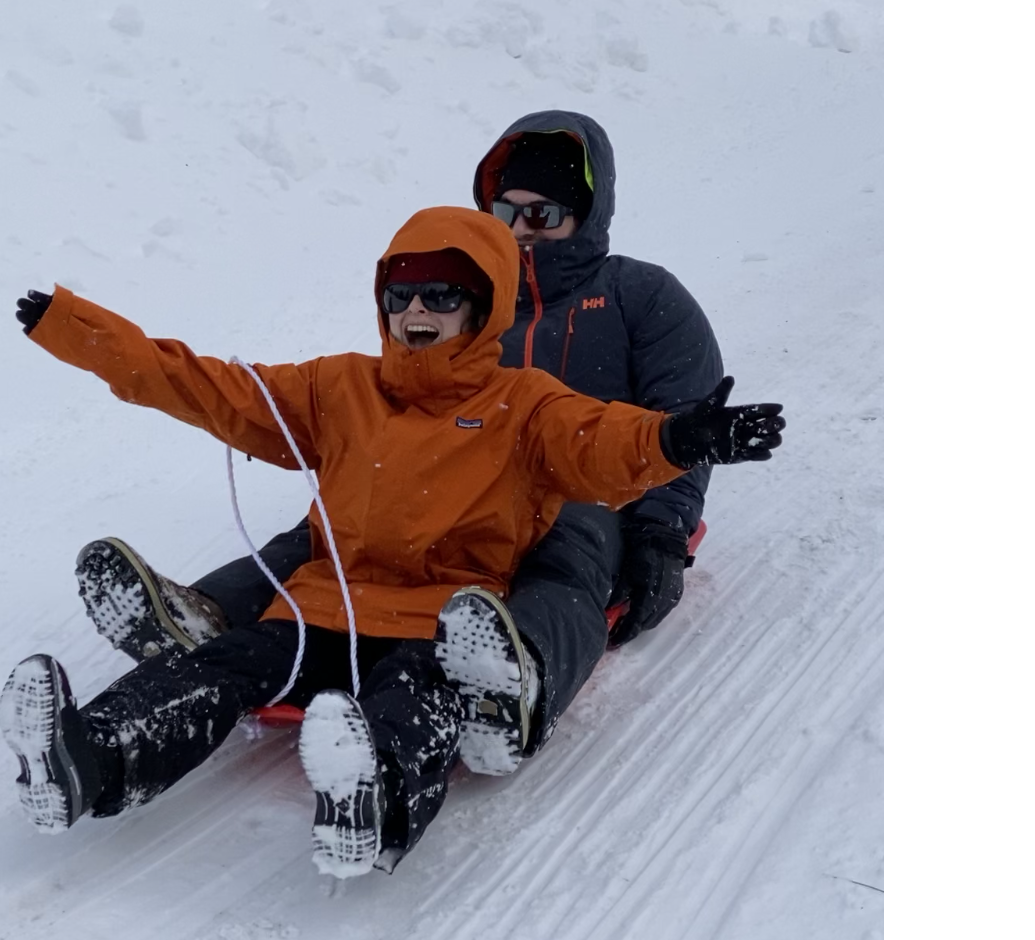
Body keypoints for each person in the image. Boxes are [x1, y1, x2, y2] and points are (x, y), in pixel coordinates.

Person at [1, 205, 781, 876]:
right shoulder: (338, 388)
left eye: (443, 294)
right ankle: (93, 759)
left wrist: (684, 436)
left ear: (484, 306)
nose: (418, 309)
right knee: (223, 664)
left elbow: (605, 441)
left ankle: (371, 803)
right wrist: (77, 330)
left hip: (438, 621)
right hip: (326, 608)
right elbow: (205, 385)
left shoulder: (526, 402)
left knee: (416, 698)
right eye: (402, 291)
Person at [75, 110, 744, 776]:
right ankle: (209, 614)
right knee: (342, 528)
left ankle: (515, 677)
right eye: (503, 215)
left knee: (568, 554)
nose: (518, 234)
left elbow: (679, 421)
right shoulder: (465, 291)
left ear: (586, 214)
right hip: (464, 480)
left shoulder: (639, 296)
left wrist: (662, 531)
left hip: (588, 485)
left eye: (539, 217)